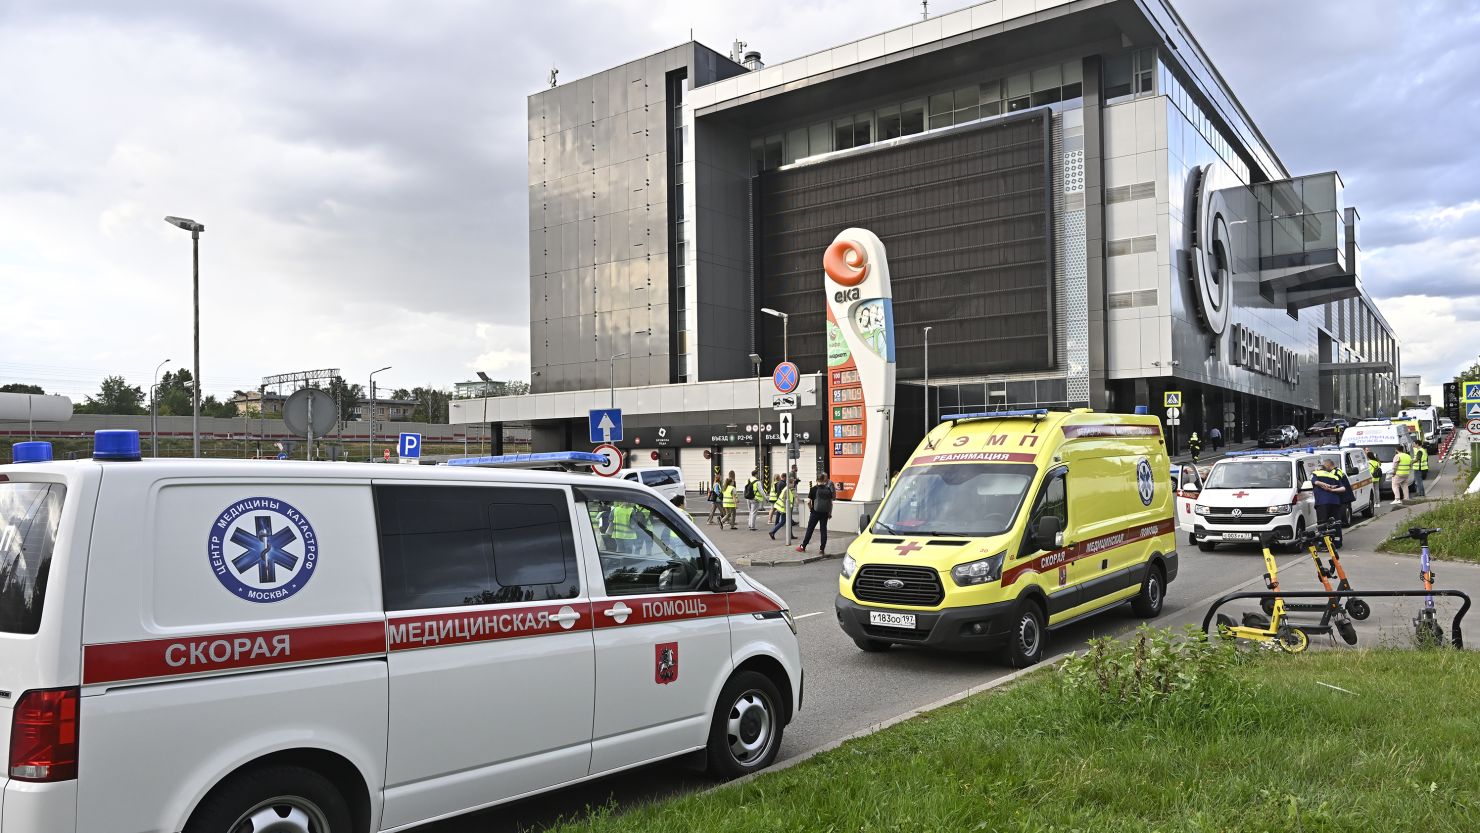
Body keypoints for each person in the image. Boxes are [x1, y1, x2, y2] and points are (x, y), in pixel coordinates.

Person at [1311, 458, 1350, 548]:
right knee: (1336, 522)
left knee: (1322, 523)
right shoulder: (1334, 476)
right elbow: (1343, 488)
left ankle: (1323, 544)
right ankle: (1337, 542)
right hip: (1335, 502)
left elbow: (1315, 482)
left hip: (1322, 502)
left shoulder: (1316, 473)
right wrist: (1332, 489)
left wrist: (1324, 485)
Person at [797, 474, 837, 554]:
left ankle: (803, 546)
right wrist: (829, 513)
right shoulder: (828, 489)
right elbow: (830, 503)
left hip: (815, 512)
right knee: (823, 530)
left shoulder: (813, 489)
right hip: (825, 512)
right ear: (825, 481)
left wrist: (811, 509)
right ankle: (822, 549)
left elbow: (808, 502)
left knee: (810, 529)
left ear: (816, 480)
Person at [768, 475, 793, 540]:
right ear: (790, 483)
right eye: (793, 483)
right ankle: (772, 531)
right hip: (783, 508)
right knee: (783, 521)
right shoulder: (787, 490)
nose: (793, 484)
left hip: (780, 507)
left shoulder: (786, 489)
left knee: (783, 521)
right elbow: (785, 500)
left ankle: (790, 535)